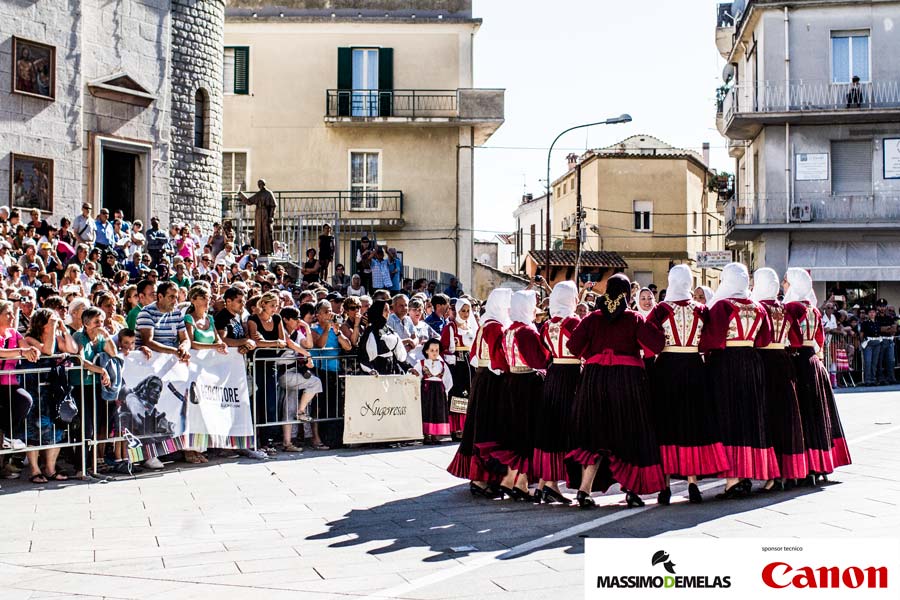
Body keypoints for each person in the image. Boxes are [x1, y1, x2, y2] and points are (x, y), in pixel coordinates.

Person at [566, 274, 665, 509]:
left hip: (594, 381)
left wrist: (595, 353)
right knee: (628, 433)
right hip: (627, 382)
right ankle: (631, 491)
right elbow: (655, 346)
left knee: (594, 434)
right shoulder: (634, 319)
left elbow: (573, 347)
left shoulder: (591, 318)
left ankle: (584, 489)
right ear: (627, 294)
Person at [639, 265, 728, 505]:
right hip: (694, 368)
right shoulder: (701, 309)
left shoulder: (661, 310)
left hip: (667, 368)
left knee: (667, 424)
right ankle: (692, 483)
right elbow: (712, 339)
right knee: (693, 424)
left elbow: (646, 338)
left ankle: (665, 486)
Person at [700, 263, 777, 499]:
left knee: (728, 416)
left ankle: (733, 479)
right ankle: (749, 473)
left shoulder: (722, 306)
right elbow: (765, 339)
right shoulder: (757, 307)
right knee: (750, 416)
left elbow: (711, 339)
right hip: (752, 363)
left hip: (726, 364)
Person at [783, 268, 851, 484]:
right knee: (817, 413)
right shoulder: (814, 309)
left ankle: (803, 467)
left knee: (801, 416)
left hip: (798, 361)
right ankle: (819, 464)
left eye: (786, 281)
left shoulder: (792, 307)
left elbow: (789, 338)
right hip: (814, 361)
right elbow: (819, 339)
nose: (784, 285)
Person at [479, 290, 547, 501]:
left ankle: (517, 480)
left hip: (512, 382)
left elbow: (500, 361)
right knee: (527, 433)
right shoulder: (527, 331)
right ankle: (515, 480)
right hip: (527, 385)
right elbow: (538, 360)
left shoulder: (509, 330)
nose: (535, 310)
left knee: (517, 433)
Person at [448, 288, 509, 498]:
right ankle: (481, 479)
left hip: (482, 378)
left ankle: (483, 478)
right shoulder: (496, 327)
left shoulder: (485, 325)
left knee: (480, 424)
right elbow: (500, 358)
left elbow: (474, 356)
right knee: (487, 428)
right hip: (493, 380)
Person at [751, 268, 807, 490]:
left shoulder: (758, 308)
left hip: (763, 362)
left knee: (767, 416)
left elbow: (757, 338)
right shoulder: (786, 309)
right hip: (783, 361)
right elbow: (796, 339)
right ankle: (789, 471)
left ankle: (771, 474)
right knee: (786, 415)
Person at [532, 281, 580, 505]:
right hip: (571, 376)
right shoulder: (573, 322)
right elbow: (583, 348)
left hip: (553, 375)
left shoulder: (548, 324)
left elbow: (544, 352)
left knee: (551, 427)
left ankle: (545, 482)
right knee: (565, 427)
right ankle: (552, 483)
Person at [247, 292, 287, 453]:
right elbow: (256, 342)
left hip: (271, 365)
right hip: (256, 366)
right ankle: (254, 439)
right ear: (263, 304)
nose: (274, 309)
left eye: (276, 306)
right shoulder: (253, 319)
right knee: (257, 402)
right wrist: (274, 343)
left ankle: (267, 440)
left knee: (270, 403)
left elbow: (282, 341)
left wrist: (270, 343)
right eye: (272, 305)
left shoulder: (277, 319)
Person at [440, 298, 477, 439]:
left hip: (469, 363)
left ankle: (466, 426)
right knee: (458, 393)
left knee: (469, 393)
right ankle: (456, 428)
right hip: (457, 364)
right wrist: (450, 357)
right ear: (457, 311)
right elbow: (443, 347)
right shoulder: (451, 327)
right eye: (463, 311)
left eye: (468, 311)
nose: (466, 314)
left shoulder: (470, 327)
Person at [412, 339, 453, 444]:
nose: (435, 353)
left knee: (438, 412)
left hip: (439, 392)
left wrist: (445, 392)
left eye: (437, 350)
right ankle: (427, 435)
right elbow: (415, 375)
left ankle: (435, 435)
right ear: (426, 351)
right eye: (432, 350)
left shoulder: (443, 365)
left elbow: (448, 380)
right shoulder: (421, 363)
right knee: (427, 411)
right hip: (427, 391)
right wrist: (415, 374)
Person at [358, 300, 407, 374]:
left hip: (392, 372)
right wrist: (371, 370)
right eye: (385, 310)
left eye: (388, 310)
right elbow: (364, 358)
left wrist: (408, 368)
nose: (388, 313)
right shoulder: (370, 332)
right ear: (378, 311)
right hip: (376, 373)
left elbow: (400, 357)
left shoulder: (390, 330)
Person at [238, 179, 277, 256]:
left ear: (264, 184)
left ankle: (267, 250)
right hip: (258, 214)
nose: (260, 185)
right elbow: (249, 201)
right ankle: (259, 249)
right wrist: (241, 194)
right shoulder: (258, 194)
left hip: (265, 213)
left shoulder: (269, 193)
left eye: (261, 184)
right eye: (259, 184)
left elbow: (274, 205)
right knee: (259, 232)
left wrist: (271, 216)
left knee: (266, 232)